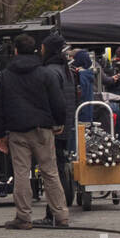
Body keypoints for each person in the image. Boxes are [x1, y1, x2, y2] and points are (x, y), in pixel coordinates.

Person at [0, 33, 68, 229]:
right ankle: (60, 215)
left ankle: (23, 217)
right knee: (50, 172)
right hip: (43, 129)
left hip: (17, 131)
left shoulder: (5, 77)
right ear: (35, 50)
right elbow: (58, 102)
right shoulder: (45, 74)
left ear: (15, 51)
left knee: (21, 174)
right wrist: (59, 123)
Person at [42, 34, 77, 209]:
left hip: (56, 125)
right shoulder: (65, 70)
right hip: (66, 123)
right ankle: (62, 202)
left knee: (53, 167)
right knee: (60, 163)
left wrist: (55, 123)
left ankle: (56, 207)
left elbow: (54, 100)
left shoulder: (51, 71)